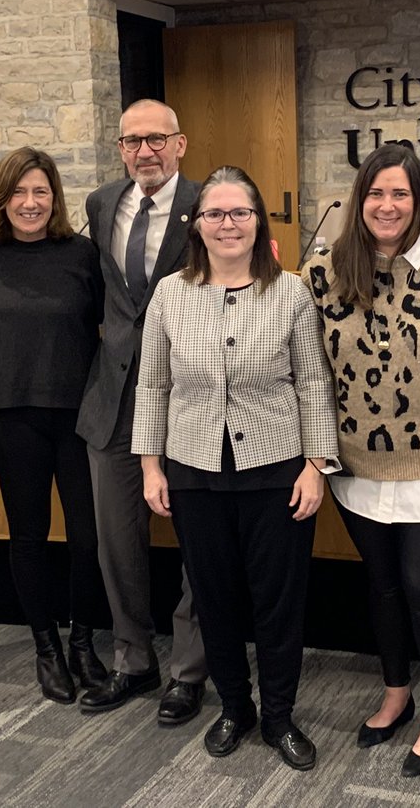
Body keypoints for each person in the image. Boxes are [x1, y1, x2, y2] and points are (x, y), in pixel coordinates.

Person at [134, 166, 338, 771]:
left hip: (276, 470)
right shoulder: (170, 293)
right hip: (194, 469)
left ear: (258, 222)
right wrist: (151, 466)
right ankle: (234, 708)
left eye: (240, 213)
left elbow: (313, 382)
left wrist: (316, 465)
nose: (228, 224)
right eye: (215, 213)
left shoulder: (292, 291)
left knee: (279, 602)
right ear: (197, 225)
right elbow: (153, 384)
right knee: (215, 601)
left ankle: (278, 716)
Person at [302, 144, 420, 777]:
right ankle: (396, 692)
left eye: (400, 193)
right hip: (357, 460)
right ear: (359, 199)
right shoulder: (324, 270)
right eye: (375, 193)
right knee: (379, 586)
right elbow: (310, 369)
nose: (387, 205)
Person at [75, 99, 208, 725]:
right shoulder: (103, 204)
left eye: (156, 139)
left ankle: (189, 669)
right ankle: (133, 657)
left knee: (196, 541)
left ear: (180, 144)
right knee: (116, 539)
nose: (144, 152)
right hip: (114, 397)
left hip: (194, 399)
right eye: (132, 141)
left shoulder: (212, 203)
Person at [0, 147, 107, 704]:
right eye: (19, 193)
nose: (30, 203)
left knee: (86, 538)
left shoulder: (83, 254)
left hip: (79, 414)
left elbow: (108, 326)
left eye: (41, 192)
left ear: (54, 199)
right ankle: (45, 647)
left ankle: (83, 643)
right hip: (12, 413)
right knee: (28, 535)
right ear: (2, 199)